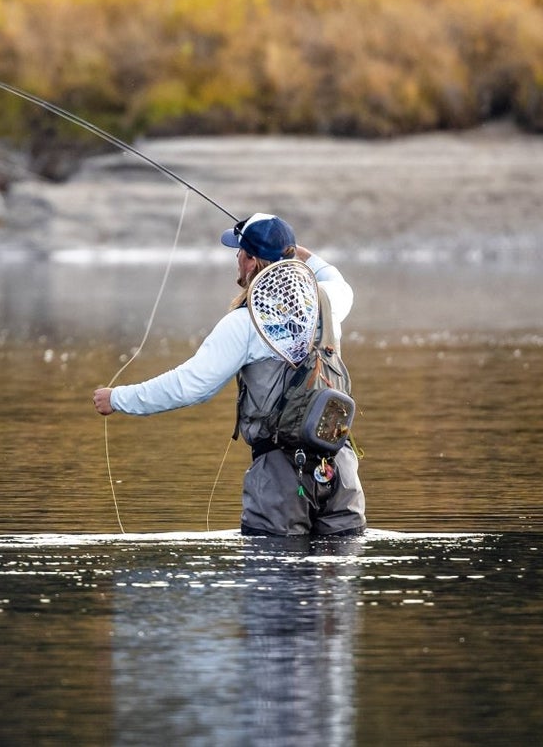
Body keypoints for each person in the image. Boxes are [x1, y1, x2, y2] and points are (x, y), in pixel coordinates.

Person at [92, 212, 365, 536]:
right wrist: (292, 251)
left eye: (240, 250)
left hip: (281, 477)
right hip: (340, 469)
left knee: (272, 574)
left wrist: (118, 398)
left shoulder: (244, 324)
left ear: (249, 261)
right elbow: (334, 276)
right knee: (336, 575)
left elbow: (190, 387)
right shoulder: (330, 302)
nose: (236, 257)